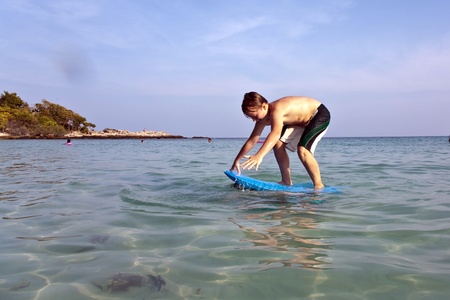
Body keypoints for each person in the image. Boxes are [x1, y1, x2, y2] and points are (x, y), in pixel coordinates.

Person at [230, 92, 330, 189]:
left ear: (264, 106)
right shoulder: (262, 119)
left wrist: (259, 156)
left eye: (255, 116)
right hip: (298, 121)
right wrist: (237, 160)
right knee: (278, 144)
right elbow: (252, 140)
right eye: (251, 118)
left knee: (302, 150)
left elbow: (275, 133)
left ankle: (318, 185)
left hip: (318, 114)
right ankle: (286, 181)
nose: (254, 120)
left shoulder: (277, 110)